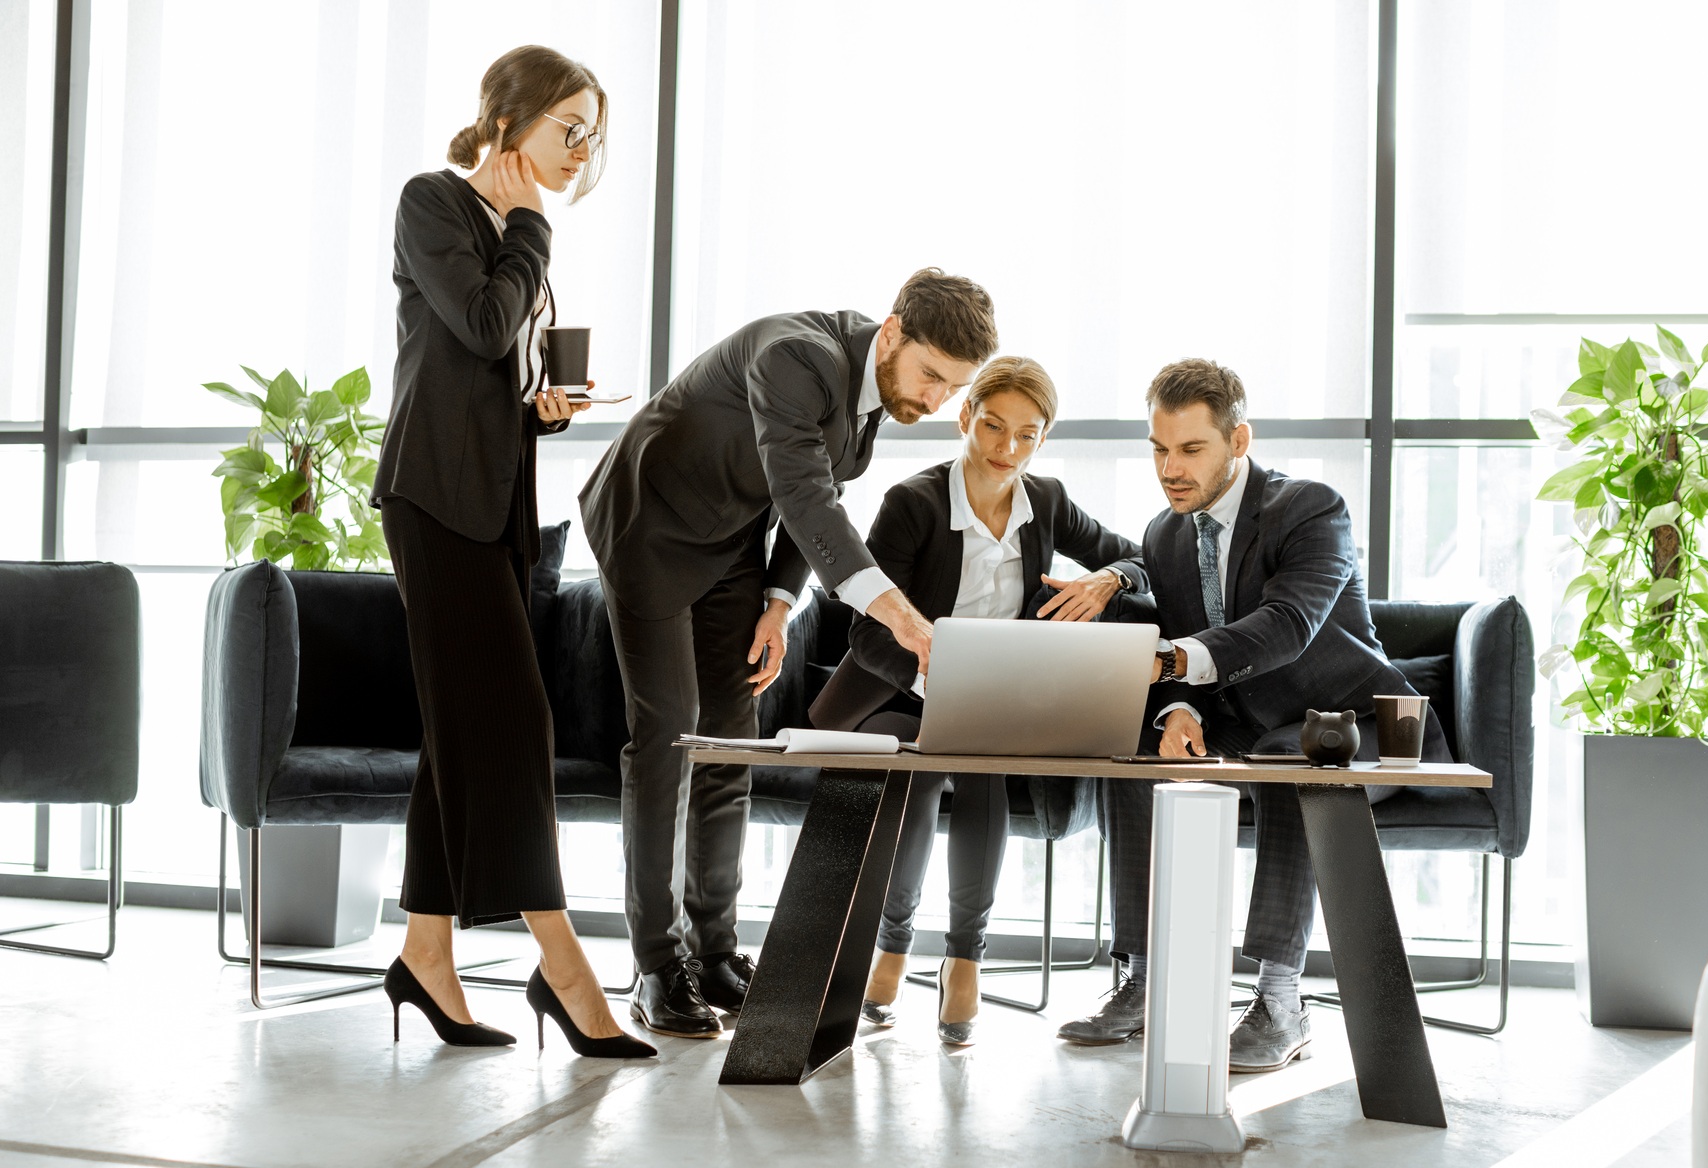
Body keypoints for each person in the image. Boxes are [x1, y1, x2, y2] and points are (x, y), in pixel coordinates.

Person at [577, 269, 998, 1038]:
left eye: (953, 386)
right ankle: (656, 967)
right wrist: (901, 616)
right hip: (649, 525)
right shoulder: (797, 355)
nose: (937, 400)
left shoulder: (873, 403)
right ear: (894, 330)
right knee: (671, 733)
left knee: (732, 740)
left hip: (731, 539)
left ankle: (715, 954)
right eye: (931, 375)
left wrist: (777, 603)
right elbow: (805, 495)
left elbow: (809, 500)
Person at [371, 45, 652, 1059]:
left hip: (492, 506)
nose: (582, 150)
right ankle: (562, 964)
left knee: (460, 730)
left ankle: (425, 953)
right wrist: (528, 225)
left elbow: (493, 370)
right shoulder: (435, 203)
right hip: (431, 498)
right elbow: (485, 325)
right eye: (568, 127)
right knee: (515, 721)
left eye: (592, 135)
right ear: (511, 118)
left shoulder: (515, 236)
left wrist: (543, 408)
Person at [1056, 358, 1450, 1072]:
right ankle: (1144, 978)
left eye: (1190, 449)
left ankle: (1280, 1002)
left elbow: (1287, 624)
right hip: (1246, 716)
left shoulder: (1310, 509)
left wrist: (1173, 663)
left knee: (1293, 764)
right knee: (1133, 755)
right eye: (1158, 449)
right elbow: (1192, 644)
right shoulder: (1167, 534)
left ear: (1239, 441)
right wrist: (1178, 709)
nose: (1169, 468)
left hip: (1348, 722)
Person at [807, 357, 1147, 1045]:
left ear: (1043, 440)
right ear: (966, 417)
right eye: (993, 427)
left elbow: (1142, 557)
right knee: (932, 757)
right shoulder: (914, 503)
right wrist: (936, 680)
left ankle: (964, 955)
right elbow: (867, 632)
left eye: (1027, 435)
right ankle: (896, 945)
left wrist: (1108, 579)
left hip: (992, 710)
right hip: (898, 695)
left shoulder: (1045, 503)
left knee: (980, 747)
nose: (1006, 450)